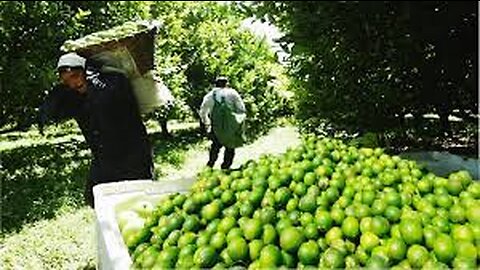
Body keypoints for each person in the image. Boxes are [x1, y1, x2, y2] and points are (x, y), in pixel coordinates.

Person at [38, 52, 154, 207]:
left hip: (133, 155)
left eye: (75, 76)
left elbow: (108, 99)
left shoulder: (114, 82)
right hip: (105, 159)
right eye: (67, 81)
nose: (73, 83)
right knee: (97, 200)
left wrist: (93, 78)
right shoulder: (76, 97)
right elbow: (53, 110)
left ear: (86, 71)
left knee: (138, 199)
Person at [200, 76, 246, 170]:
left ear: (215, 84)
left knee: (215, 147)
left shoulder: (210, 95)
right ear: (227, 84)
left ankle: (210, 165)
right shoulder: (233, 93)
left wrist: (207, 123)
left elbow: (203, 111)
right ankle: (225, 167)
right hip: (231, 126)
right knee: (230, 147)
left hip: (216, 126)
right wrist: (239, 123)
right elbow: (241, 109)